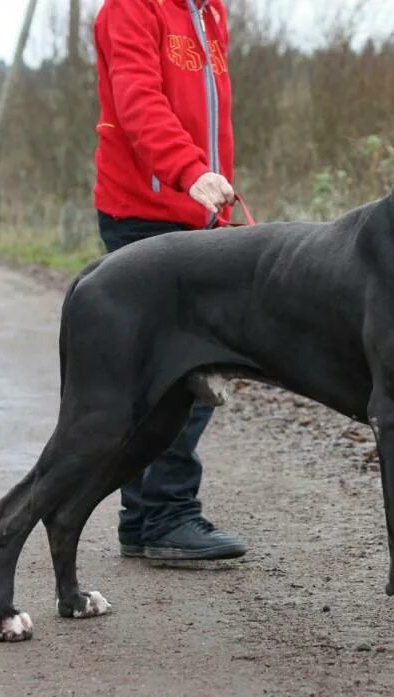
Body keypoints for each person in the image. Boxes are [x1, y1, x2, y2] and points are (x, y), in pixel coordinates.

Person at [92, 0, 247, 560]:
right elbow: (139, 103)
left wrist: (212, 184)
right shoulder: (129, 9)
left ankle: (145, 516)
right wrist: (189, 171)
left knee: (176, 368)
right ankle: (166, 516)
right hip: (143, 213)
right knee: (182, 368)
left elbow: (209, 113)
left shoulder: (211, 13)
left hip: (196, 214)